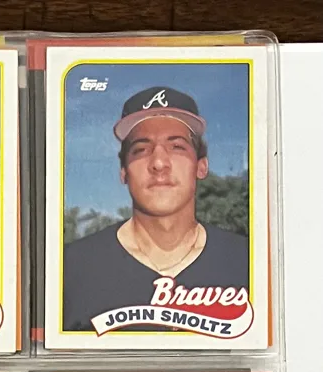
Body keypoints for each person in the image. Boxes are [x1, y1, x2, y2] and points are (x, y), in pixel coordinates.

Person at [63, 87, 249, 332]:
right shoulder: (70, 268)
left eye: (177, 147)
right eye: (141, 149)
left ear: (201, 167)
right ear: (123, 172)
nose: (159, 163)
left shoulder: (248, 261)